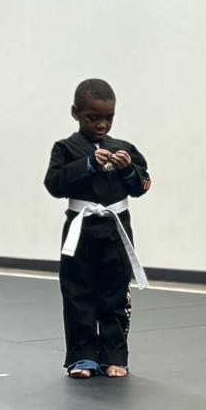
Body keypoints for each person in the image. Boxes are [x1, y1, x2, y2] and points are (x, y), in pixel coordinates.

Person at [43, 79, 150, 379]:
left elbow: (143, 185)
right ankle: (82, 356)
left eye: (108, 118)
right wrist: (87, 164)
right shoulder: (65, 149)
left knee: (115, 293)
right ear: (76, 113)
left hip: (116, 230)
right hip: (80, 230)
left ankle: (115, 356)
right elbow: (54, 184)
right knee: (78, 293)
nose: (102, 124)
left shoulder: (124, 149)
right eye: (93, 118)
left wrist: (129, 169)